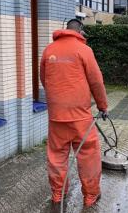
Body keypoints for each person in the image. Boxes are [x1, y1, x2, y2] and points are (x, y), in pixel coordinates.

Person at [40, 19, 108, 207]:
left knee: (56, 157)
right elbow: (96, 82)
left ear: (65, 29)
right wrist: (102, 106)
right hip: (80, 117)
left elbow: (44, 79)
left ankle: (57, 195)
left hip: (56, 116)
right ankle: (90, 196)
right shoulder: (84, 51)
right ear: (81, 31)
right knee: (88, 156)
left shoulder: (49, 50)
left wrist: (57, 101)